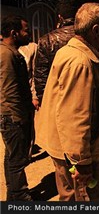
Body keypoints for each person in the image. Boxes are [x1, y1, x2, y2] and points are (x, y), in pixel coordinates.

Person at [35, 3, 99, 201]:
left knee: (69, 197)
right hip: (76, 154)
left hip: (64, 149)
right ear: (96, 30)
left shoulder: (68, 51)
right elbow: (74, 116)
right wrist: (82, 161)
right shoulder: (80, 62)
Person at [0, 15, 34, 201]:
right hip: (13, 117)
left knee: (12, 158)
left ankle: (13, 194)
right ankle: (19, 196)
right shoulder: (6, 55)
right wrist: (20, 118)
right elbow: (10, 90)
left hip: (12, 115)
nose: (28, 33)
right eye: (25, 30)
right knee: (17, 160)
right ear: (14, 33)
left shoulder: (10, 52)